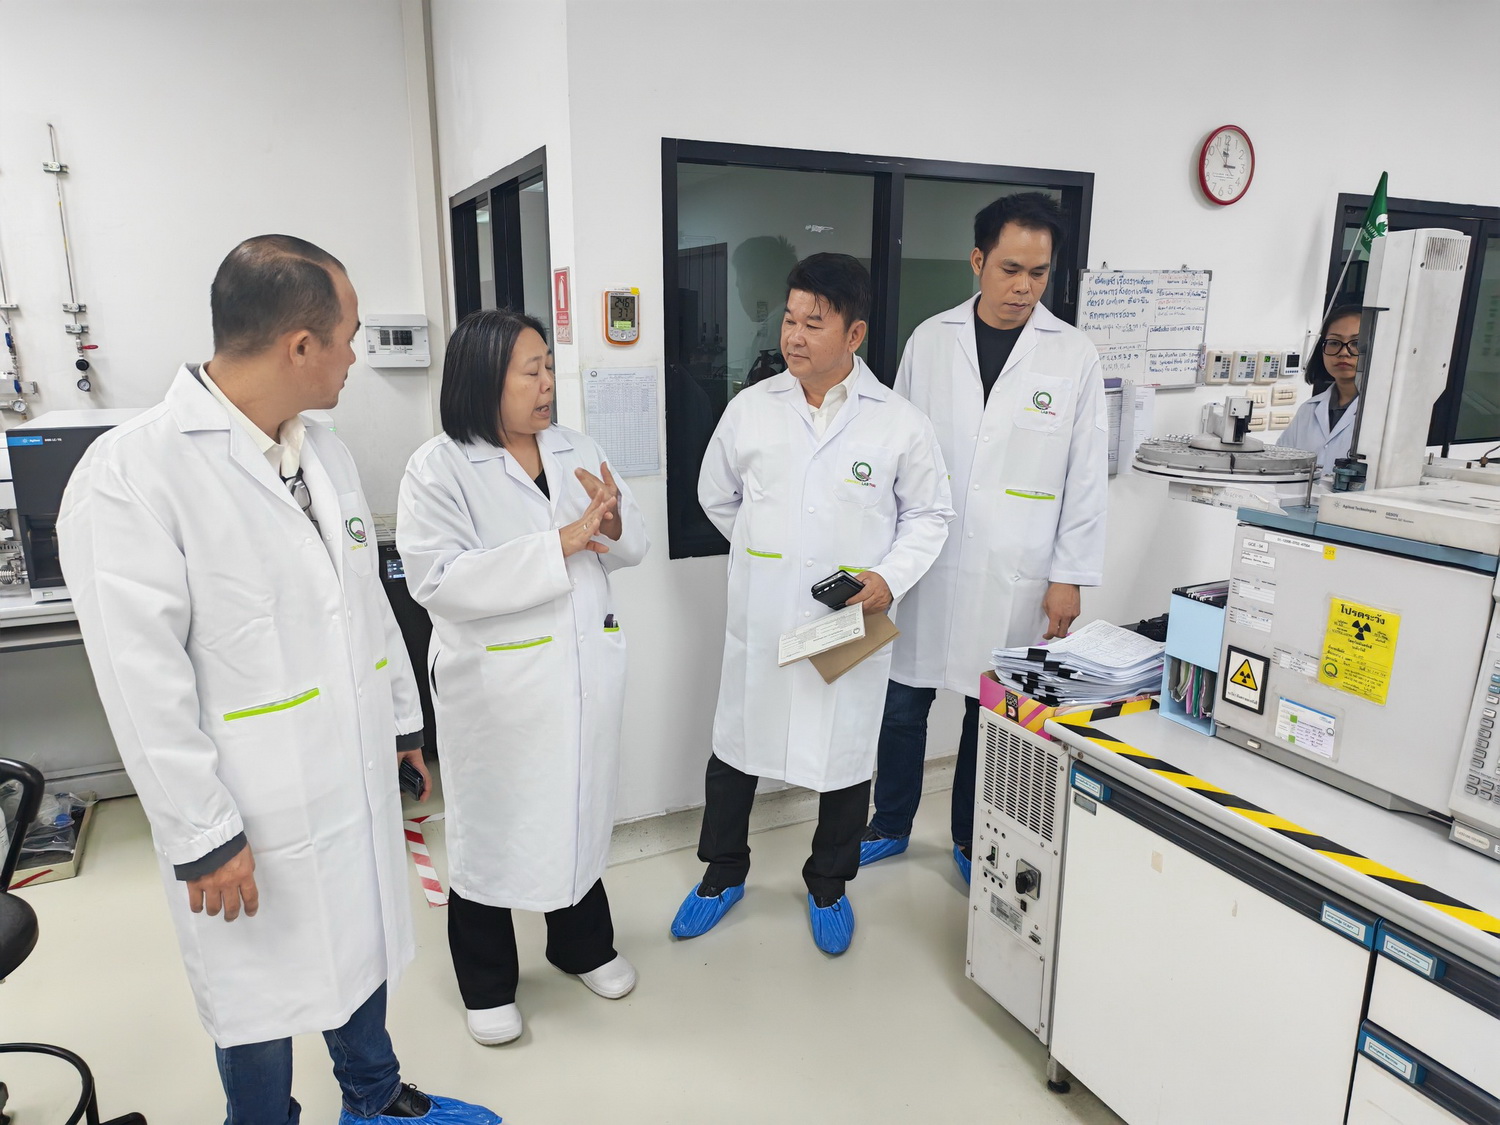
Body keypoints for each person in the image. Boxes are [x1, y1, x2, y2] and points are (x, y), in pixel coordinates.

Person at [57, 236, 499, 1125]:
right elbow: (141, 685)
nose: (354, 357)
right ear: (301, 345)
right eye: (349, 337)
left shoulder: (324, 453)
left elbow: (365, 604)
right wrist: (203, 834)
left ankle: (374, 1098)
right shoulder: (133, 474)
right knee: (258, 987)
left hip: (347, 774)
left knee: (358, 945)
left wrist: (403, 725)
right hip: (246, 805)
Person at [671, 253, 953, 955]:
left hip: (847, 619)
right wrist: (770, 554)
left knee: (844, 751)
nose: (793, 336)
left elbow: (930, 515)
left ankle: (829, 882)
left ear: (854, 334)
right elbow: (717, 495)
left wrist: (890, 577)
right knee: (737, 745)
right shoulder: (751, 408)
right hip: (765, 612)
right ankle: (722, 872)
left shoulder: (898, 424)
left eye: (813, 323)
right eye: (790, 319)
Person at [397, 309, 648, 1046]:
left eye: (549, 368)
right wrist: (560, 542)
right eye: (530, 371)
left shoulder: (576, 447)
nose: (547, 385)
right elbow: (439, 581)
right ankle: (487, 981)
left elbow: (630, 541)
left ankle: (581, 945)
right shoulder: (438, 468)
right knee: (496, 825)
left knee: (576, 805)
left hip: (583, 669)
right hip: (496, 689)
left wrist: (611, 526)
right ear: (484, 379)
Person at [860, 192, 1109, 884]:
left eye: (1038, 272)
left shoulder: (1074, 356)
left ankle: (973, 838)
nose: (1024, 287)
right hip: (926, 561)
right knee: (903, 700)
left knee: (989, 710)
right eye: (1010, 269)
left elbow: (1087, 477)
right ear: (977, 261)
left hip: (1017, 567)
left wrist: (1069, 576)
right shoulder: (929, 340)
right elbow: (893, 451)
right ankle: (890, 822)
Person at [1279, 304, 1364, 484]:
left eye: (1356, 343)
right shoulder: (1309, 410)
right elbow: (1279, 467)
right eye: (1334, 343)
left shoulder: (1384, 415)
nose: (1343, 352)